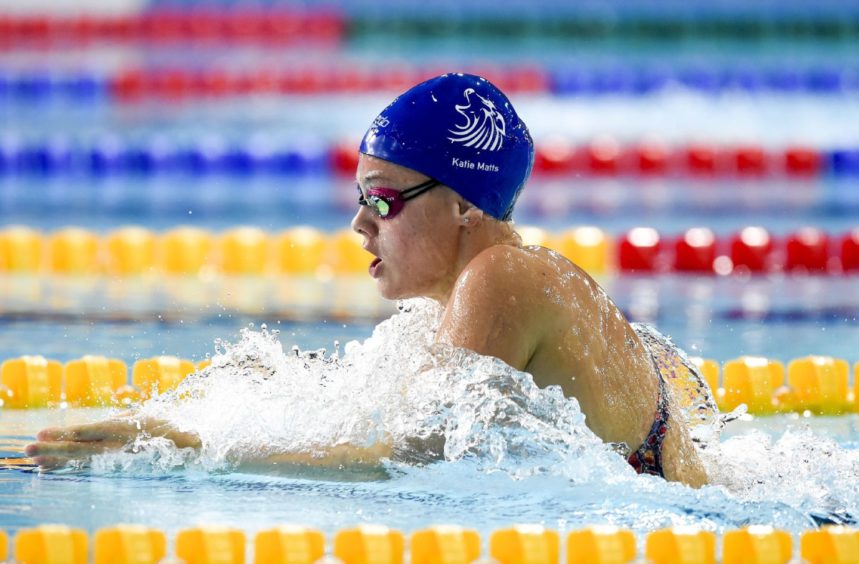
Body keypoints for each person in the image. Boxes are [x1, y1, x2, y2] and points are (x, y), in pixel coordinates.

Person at [27, 73, 708, 487]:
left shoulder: (502, 275)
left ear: (465, 204)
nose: (359, 223)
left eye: (381, 200)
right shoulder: (485, 296)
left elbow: (408, 457)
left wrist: (199, 450)